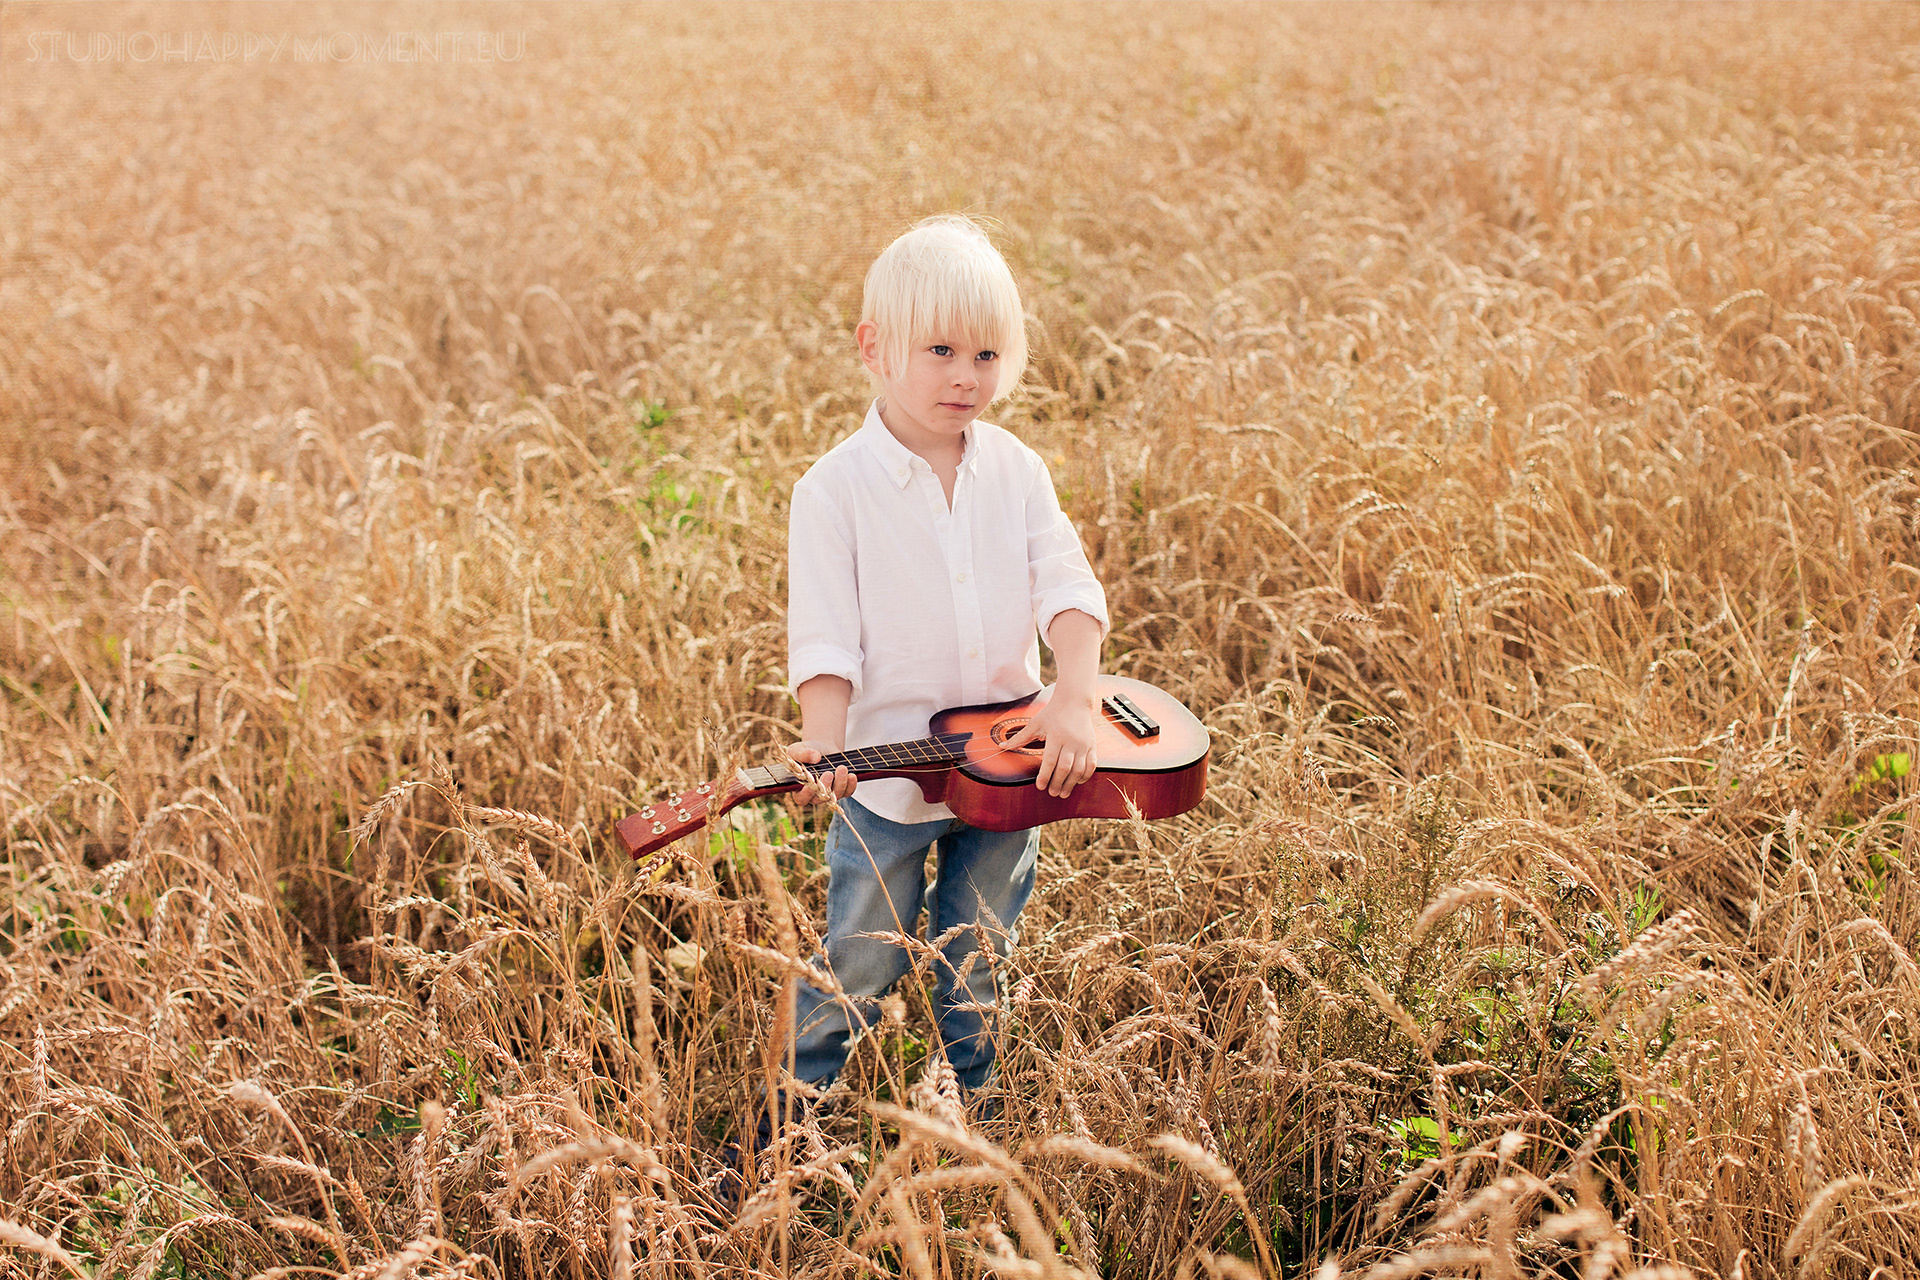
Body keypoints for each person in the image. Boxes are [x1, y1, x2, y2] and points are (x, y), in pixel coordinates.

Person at [777, 213, 1109, 1124]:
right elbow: (826, 640)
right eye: (941, 349)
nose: (967, 375)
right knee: (861, 956)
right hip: (886, 794)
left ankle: (985, 1120)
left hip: (1005, 774)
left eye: (989, 353)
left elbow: (1068, 588)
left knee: (978, 952)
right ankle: (784, 1125)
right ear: (873, 348)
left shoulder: (1017, 471)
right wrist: (824, 743)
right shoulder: (833, 492)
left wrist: (1073, 699)